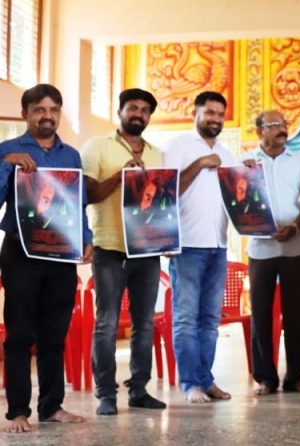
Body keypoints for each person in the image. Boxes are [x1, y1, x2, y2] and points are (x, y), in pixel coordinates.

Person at [0, 84, 92, 433]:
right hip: (21, 252)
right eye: (39, 109)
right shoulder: (7, 150)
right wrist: (5, 166)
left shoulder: (71, 156)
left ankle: (52, 406)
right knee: (20, 333)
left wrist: (86, 238)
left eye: (53, 110)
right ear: (25, 114)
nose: (47, 116)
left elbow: (77, 203)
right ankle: (17, 412)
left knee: (54, 334)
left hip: (61, 253)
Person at [81, 88, 167, 415]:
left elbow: (162, 203)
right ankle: (106, 394)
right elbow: (87, 194)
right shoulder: (97, 146)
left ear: (149, 116)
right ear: (120, 111)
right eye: (133, 108)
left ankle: (139, 390)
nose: (138, 114)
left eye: (145, 110)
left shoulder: (157, 154)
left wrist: (167, 238)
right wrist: (121, 177)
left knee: (144, 323)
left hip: (146, 249)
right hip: (109, 247)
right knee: (107, 322)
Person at [162, 91, 239, 404]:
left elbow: (240, 194)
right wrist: (200, 164)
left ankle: (206, 381)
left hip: (218, 245)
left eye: (220, 114)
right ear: (194, 112)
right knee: (185, 319)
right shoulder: (179, 146)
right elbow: (167, 189)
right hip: (187, 246)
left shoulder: (227, 153)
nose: (215, 119)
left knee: (210, 320)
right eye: (210, 112)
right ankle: (190, 384)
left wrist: (246, 171)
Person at [241, 110, 300, 396]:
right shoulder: (245, 162)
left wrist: (295, 227)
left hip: (296, 246)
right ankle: (265, 378)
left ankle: (295, 377)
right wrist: (242, 176)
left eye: (284, 124)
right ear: (259, 131)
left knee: (295, 314)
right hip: (261, 249)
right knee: (260, 314)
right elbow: (237, 200)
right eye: (274, 125)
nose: (282, 129)